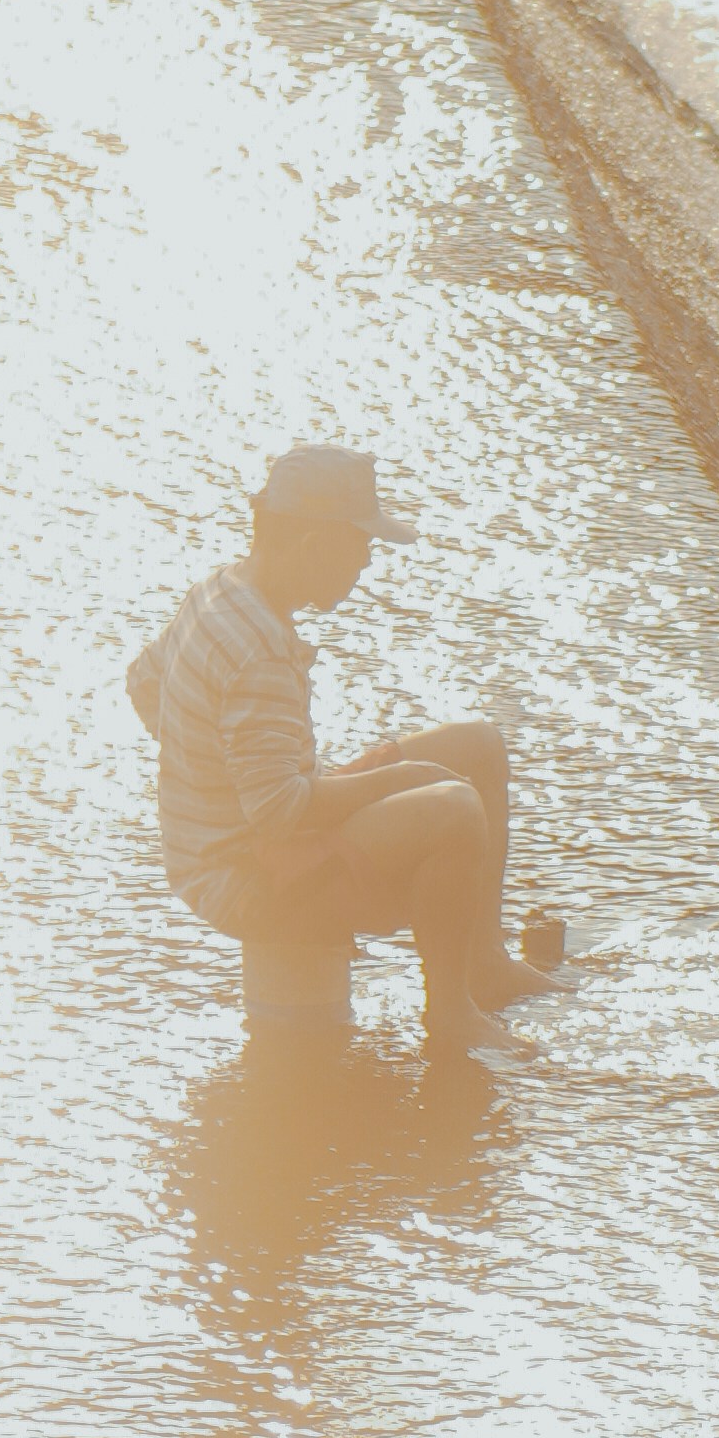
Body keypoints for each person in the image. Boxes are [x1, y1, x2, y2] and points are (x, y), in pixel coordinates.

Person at [128, 442, 563, 1058]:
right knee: (456, 807)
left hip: (251, 823)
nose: (365, 563)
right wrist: (391, 779)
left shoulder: (218, 592)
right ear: (314, 545)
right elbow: (280, 814)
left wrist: (216, 777)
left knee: (478, 748)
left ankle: (483, 966)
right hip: (245, 874)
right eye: (360, 546)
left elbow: (144, 684)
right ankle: (450, 1018)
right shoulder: (260, 651)